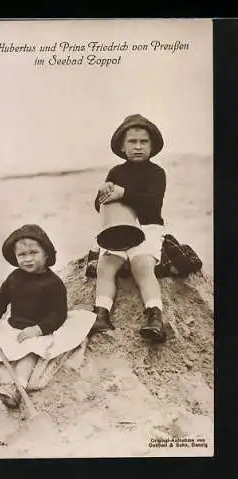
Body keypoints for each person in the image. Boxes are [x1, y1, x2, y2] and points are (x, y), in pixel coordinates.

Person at [0, 224, 68, 409]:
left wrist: (39, 329)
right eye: (22, 255)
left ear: (46, 254)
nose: (28, 259)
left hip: (37, 329)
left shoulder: (53, 284)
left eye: (34, 253)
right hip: (12, 326)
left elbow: (59, 314)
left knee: (30, 353)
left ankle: (17, 387)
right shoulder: (14, 278)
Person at [90, 114, 167, 342]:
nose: (138, 147)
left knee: (141, 264)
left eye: (144, 142)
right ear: (122, 147)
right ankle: (101, 314)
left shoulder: (157, 173)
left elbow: (152, 203)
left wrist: (125, 193)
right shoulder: (116, 173)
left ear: (152, 146)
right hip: (119, 229)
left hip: (148, 226)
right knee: (106, 266)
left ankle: (154, 316)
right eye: (132, 142)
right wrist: (103, 192)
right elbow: (100, 206)